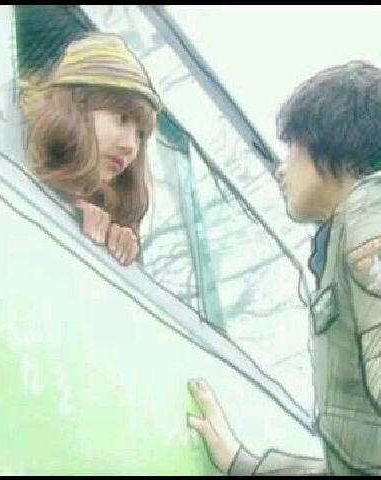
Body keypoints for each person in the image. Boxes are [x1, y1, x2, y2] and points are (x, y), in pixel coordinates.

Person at [187, 60, 381, 475]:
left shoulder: (370, 215)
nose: (281, 169)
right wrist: (244, 464)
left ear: (330, 142)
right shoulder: (347, 237)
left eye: (292, 146)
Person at [19, 32, 160, 265]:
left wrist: (113, 246)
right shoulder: (10, 152)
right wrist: (65, 210)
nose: (130, 147)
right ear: (76, 106)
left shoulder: (111, 219)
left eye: (140, 135)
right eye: (122, 118)